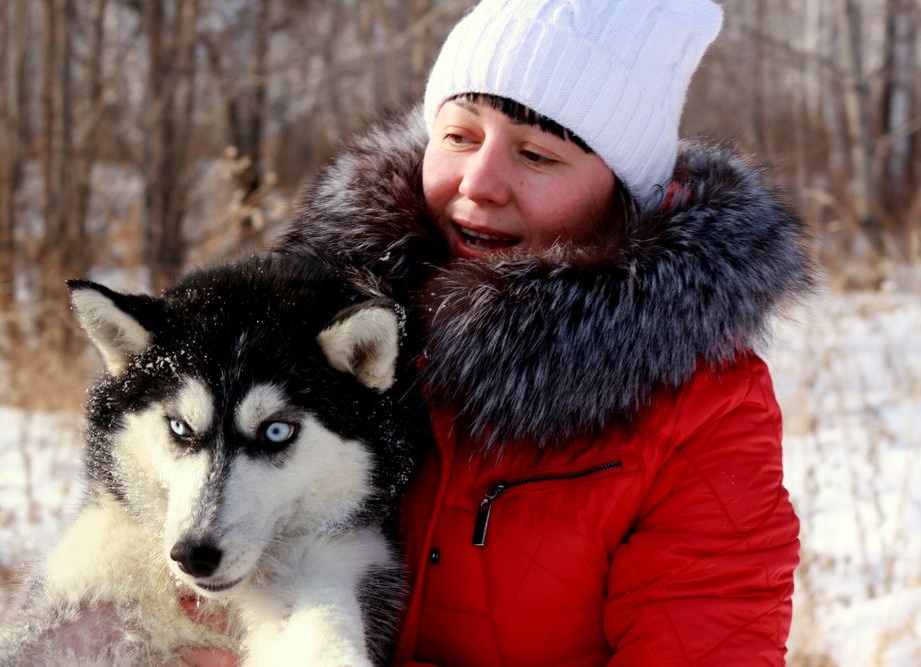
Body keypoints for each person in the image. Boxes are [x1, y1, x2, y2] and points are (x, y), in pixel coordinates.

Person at [277, 0, 812, 665]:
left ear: (623, 194)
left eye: (536, 155)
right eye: (459, 135)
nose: (480, 183)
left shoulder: (704, 407)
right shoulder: (307, 320)